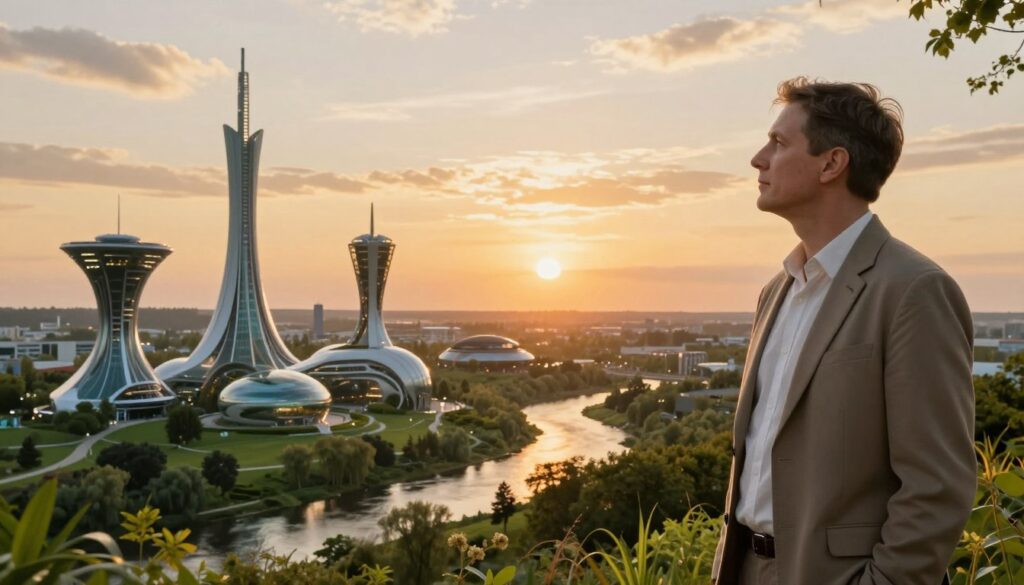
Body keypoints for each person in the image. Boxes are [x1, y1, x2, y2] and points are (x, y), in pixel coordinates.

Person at [711, 78, 976, 585]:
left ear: (832, 164)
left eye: (779, 143)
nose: (757, 159)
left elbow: (936, 487)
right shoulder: (776, 290)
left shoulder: (913, 290)